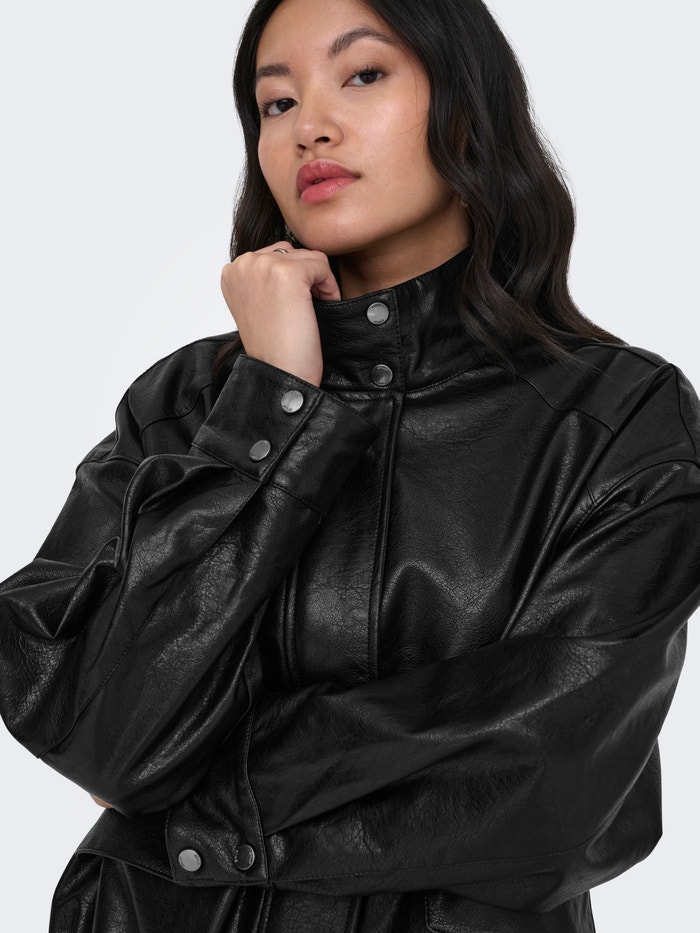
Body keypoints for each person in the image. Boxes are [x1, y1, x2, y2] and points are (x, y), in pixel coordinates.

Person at [1, 0, 699, 930]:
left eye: (363, 74)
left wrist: (179, 790)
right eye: (276, 102)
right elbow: (89, 720)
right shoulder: (184, 404)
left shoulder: (617, 419)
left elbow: (550, 772)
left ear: (467, 105)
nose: (310, 127)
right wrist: (270, 405)